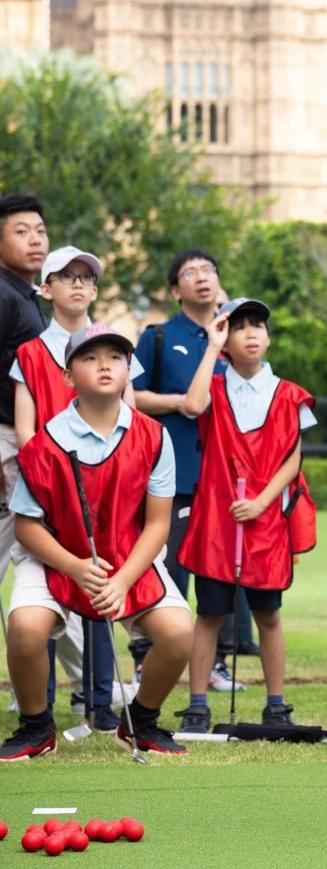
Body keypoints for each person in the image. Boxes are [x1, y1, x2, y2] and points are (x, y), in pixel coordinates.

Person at [0, 324, 193, 760]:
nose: (104, 364)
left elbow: (157, 525)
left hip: (128, 556)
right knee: (27, 628)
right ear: (68, 376)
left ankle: (140, 722)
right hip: (56, 554)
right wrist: (75, 567)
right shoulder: (46, 443)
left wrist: (122, 581)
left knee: (180, 632)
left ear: (129, 371)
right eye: (89, 357)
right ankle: (36, 726)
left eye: (115, 357)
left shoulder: (153, 436)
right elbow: (28, 526)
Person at [12, 246, 143, 731]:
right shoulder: (28, 352)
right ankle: (40, 704)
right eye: (65, 276)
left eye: (86, 277)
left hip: (108, 487)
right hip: (48, 490)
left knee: (102, 581)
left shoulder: (116, 344)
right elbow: (27, 432)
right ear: (45, 289)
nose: (78, 284)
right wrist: (52, 478)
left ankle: (101, 703)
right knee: (43, 593)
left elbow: (132, 419)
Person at [176, 297, 317, 733]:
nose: (251, 334)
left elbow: (293, 460)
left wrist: (261, 501)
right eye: (239, 327)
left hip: (265, 522)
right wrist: (210, 349)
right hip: (217, 523)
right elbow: (193, 406)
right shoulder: (214, 387)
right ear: (225, 339)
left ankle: (276, 704)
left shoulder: (290, 394)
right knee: (210, 614)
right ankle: (197, 704)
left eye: (258, 326)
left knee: (268, 614)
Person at [133, 249, 243, 691]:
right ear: (176, 290)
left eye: (210, 271)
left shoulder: (236, 335)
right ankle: (149, 658)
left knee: (217, 573)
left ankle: (213, 663)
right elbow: (133, 395)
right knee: (167, 570)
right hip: (170, 475)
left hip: (223, 478)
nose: (202, 278)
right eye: (190, 273)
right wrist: (178, 403)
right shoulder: (157, 337)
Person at [0, 195, 48, 589]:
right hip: (4, 441)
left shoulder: (27, 296)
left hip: (25, 441)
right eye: (21, 232)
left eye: (40, 231)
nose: (35, 240)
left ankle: (85, 654)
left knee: (41, 556)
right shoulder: (2, 294)